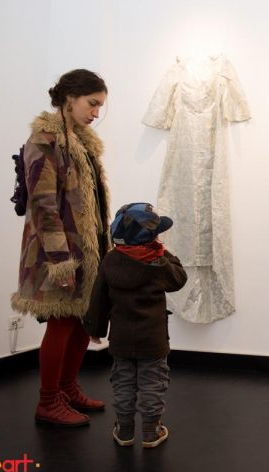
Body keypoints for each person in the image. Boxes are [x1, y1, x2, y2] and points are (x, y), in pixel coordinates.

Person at [11, 69, 111, 426]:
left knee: (82, 320)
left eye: (100, 107)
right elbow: (43, 206)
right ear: (70, 98)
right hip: (57, 252)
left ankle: (68, 388)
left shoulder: (82, 143)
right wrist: (60, 260)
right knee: (62, 323)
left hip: (87, 250)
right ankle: (48, 401)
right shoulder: (45, 139)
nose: (96, 113)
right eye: (92, 104)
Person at [83, 203, 187, 448]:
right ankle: (151, 431)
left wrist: (95, 330)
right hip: (153, 339)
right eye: (155, 234)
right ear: (149, 238)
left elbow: (99, 297)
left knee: (123, 382)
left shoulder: (110, 260)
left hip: (121, 339)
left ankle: (125, 430)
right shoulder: (158, 263)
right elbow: (179, 278)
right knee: (153, 383)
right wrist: (163, 253)